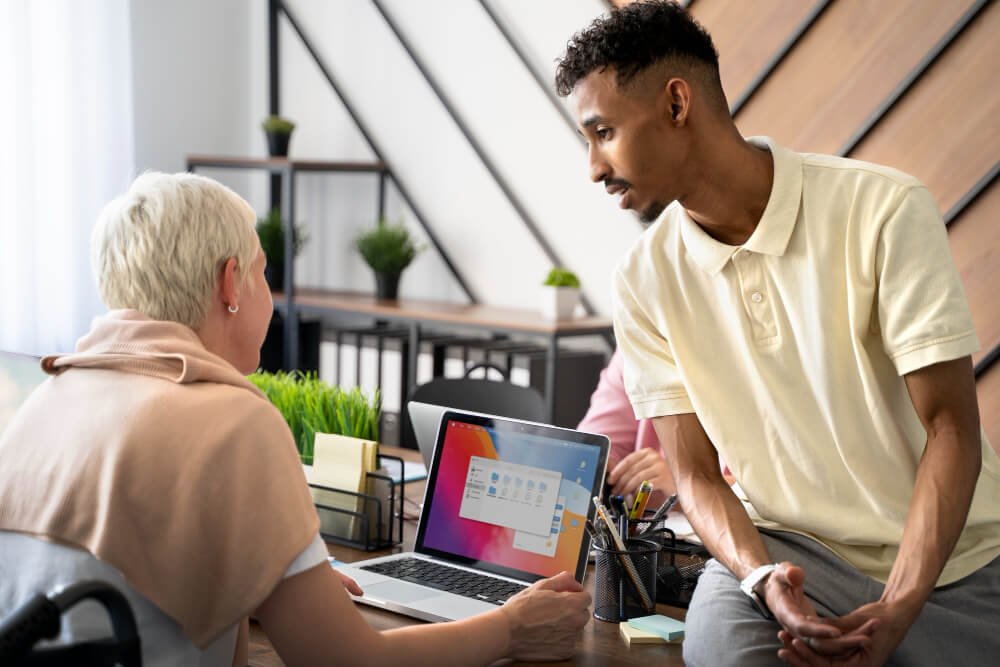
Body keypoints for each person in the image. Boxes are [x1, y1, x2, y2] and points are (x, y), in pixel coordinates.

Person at [555, 2, 1000, 666]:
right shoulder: (643, 278)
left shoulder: (884, 209)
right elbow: (697, 475)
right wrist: (762, 580)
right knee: (723, 651)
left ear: (677, 104)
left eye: (603, 131)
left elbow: (952, 428)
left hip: (956, 566)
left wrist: (901, 604)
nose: (594, 166)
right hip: (789, 553)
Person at [0, 172, 591, 667]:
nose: (269, 294)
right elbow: (346, 662)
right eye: (262, 271)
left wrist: (258, 585)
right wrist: (511, 628)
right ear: (231, 283)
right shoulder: (231, 420)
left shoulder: (46, 400)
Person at [577, 347, 676, 505]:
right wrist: (601, 462)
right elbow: (592, 442)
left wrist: (687, 484)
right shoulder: (634, 346)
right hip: (646, 521)